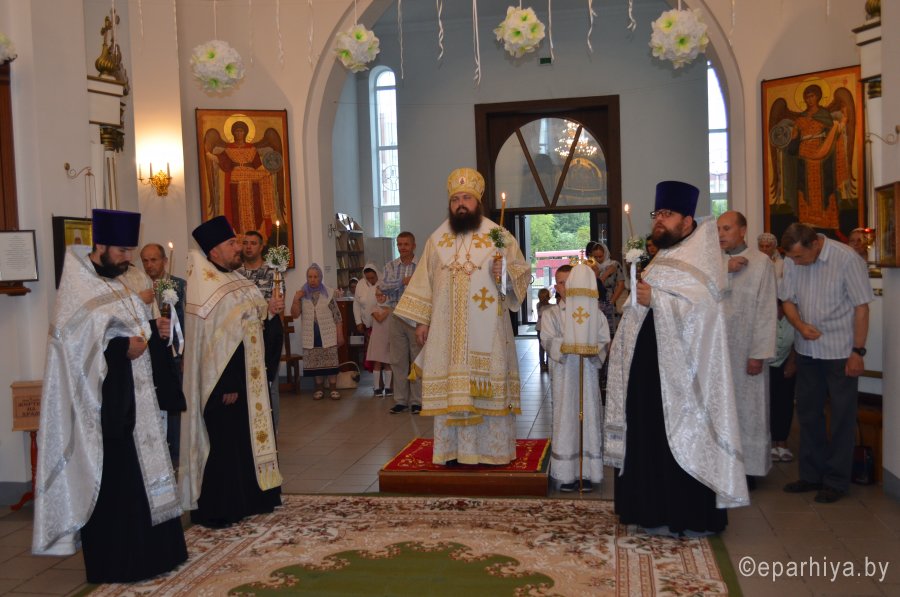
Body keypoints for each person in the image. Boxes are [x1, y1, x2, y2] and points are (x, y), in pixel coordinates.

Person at [33, 209, 186, 583]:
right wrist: (121, 349)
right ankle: (121, 564)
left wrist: (152, 327)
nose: (127, 258)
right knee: (118, 488)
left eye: (130, 251)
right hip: (104, 411)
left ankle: (157, 556)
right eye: (121, 251)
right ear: (99, 245)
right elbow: (74, 351)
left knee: (141, 480)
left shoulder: (116, 284)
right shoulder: (77, 289)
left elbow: (125, 328)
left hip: (136, 405)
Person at [605, 181, 748, 537]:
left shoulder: (700, 257)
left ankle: (685, 514)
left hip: (682, 378)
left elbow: (705, 311)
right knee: (646, 434)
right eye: (657, 213)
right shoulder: (666, 255)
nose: (659, 220)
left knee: (673, 437)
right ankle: (649, 510)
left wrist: (657, 299)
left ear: (687, 221)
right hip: (649, 370)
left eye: (667, 214)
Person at [394, 167, 530, 465]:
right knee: (451, 390)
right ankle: (453, 451)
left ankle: (491, 452)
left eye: (466, 198)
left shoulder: (499, 236)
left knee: (486, 387)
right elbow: (425, 282)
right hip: (447, 335)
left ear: (477, 201)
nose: (461, 204)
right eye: (455, 199)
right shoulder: (437, 240)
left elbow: (521, 277)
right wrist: (422, 321)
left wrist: (504, 273)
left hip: (488, 335)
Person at [182, 216, 283, 528]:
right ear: (214, 251)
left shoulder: (238, 280)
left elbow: (252, 324)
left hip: (250, 380)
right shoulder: (206, 288)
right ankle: (221, 508)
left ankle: (252, 499)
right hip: (225, 384)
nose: (238, 247)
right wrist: (227, 383)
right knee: (225, 446)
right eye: (232, 243)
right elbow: (213, 345)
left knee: (247, 441)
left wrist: (270, 314)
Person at [779, 222, 874, 503]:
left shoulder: (847, 259)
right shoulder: (792, 259)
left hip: (841, 351)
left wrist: (858, 351)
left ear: (815, 245)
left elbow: (862, 307)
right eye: (792, 258)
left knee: (842, 416)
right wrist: (799, 325)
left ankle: (836, 481)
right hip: (807, 350)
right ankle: (811, 475)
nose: (796, 262)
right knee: (808, 414)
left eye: (800, 257)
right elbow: (787, 300)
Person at [718, 210, 777, 484]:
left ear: (742, 230)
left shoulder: (761, 262)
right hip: (717, 349)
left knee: (749, 408)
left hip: (747, 350)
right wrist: (724, 270)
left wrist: (759, 353)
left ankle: (750, 469)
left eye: (727, 228)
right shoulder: (712, 262)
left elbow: (767, 309)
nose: (721, 234)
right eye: (718, 229)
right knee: (721, 409)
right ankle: (722, 466)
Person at [541, 263, 610, 492]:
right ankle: (566, 474)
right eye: (561, 283)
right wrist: (570, 343)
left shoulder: (595, 314)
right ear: (556, 287)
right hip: (564, 376)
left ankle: (587, 472)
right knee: (565, 419)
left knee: (588, 417)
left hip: (587, 376)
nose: (566, 287)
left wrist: (590, 348)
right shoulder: (551, 314)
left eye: (569, 282)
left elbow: (603, 341)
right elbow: (547, 340)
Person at [141, 242, 188, 465]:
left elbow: (185, 321)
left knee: (173, 405)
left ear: (165, 261)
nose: (149, 265)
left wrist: (185, 353)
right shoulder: (140, 287)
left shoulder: (178, 285)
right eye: (145, 261)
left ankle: (175, 454)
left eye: (154, 260)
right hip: (149, 355)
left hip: (174, 352)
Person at [237, 230, 284, 430]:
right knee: (245, 383)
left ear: (261, 246)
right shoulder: (236, 274)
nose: (248, 247)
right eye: (245, 243)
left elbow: (278, 305)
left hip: (268, 332)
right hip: (243, 334)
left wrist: (272, 309)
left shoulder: (273, 272)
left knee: (269, 383)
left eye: (253, 243)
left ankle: (271, 431)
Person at [290, 263, 345, 400]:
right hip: (311, 334)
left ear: (320, 278)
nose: (312, 279)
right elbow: (295, 314)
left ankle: (333, 388)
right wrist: (295, 299)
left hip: (327, 333)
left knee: (330, 361)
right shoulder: (302, 294)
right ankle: (319, 388)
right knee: (315, 362)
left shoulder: (329, 293)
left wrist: (340, 335)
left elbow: (337, 316)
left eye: (315, 277)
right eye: (310, 277)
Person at [382, 232, 420, 414]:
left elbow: (427, 287)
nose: (402, 247)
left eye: (406, 244)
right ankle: (400, 401)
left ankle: (417, 401)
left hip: (416, 316)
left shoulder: (421, 266)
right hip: (396, 315)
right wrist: (403, 281)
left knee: (417, 359)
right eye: (399, 244)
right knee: (398, 360)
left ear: (414, 246)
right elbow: (383, 286)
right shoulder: (390, 266)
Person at [770, 299, 797, 463]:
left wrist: (792, 362)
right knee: (769, 403)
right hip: (765, 364)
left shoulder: (795, 317)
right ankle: (771, 443)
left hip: (786, 362)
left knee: (785, 403)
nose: (779, 312)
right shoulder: (764, 315)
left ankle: (782, 443)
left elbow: (798, 341)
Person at [354, 263, 386, 393]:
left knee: (386, 356)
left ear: (377, 274)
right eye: (368, 278)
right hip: (368, 326)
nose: (371, 280)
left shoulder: (383, 281)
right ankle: (378, 383)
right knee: (374, 357)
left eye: (373, 277)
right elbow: (356, 304)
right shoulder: (360, 285)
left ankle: (389, 384)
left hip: (383, 325)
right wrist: (358, 322)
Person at [587, 241, 624, 335]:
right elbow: (593, 286)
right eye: (595, 257)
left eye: (600, 256)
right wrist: (601, 274)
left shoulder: (614, 265)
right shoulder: (591, 267)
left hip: (612, 299)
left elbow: (621, 285)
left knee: (612, 331)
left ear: (606, 254)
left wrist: (611, 301)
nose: (598, 259)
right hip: (596, 301)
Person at [367, 285, 393, 397]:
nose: (380, 297)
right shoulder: (374, 308)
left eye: (383, 295)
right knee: (377, 363)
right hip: (377, 339)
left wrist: (390, 308)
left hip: (388, 339)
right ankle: (377, 388)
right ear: (375, 296)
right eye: (378, 295)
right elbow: (380, 318)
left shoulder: (391, 308)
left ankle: (388, 387)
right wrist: (389, 309)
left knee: (388, 363)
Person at [535, 287, 552, 373]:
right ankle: (542, 364)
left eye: (545, 297)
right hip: (540, 329)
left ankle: (548, 363)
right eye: (541, 297)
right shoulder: (539, 305)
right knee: (541, 347)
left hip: (548, 329)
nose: (543, 299)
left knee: (548, 347)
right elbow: (541, 312)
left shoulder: (552, 306)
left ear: (548, 297)